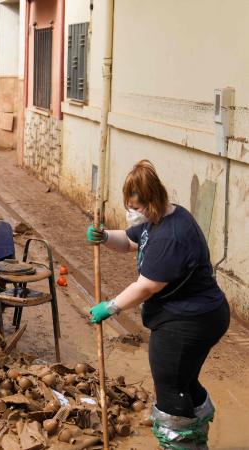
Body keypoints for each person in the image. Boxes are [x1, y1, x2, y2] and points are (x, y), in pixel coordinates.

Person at [87, 160, 229, 450]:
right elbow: (129, 242)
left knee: (171, 389)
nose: (132, 213)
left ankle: (182, 444)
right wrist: (104, 237)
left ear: (152, 200)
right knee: (185, 381)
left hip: (188, 322)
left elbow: (145, 288)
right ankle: (197, 440)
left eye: (136, 207)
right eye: (130, 206)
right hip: (199, 314)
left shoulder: (171, 236)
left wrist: (109, 307)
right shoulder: (159, 219)